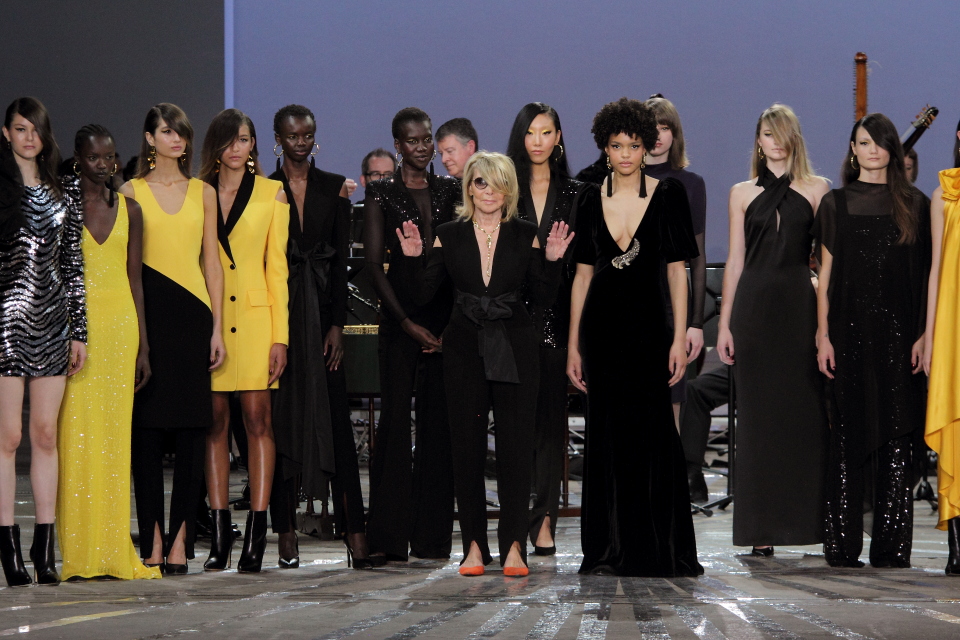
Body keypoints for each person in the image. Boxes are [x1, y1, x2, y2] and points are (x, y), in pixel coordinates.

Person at [397, 151, 572, 576]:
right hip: (463, 350)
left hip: (516, 348)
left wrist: (553, 261)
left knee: (516, 450)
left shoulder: (525, 233)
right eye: (480, 182)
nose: (488, 191)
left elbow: (543, 297)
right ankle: (474, 546)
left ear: (508, 190)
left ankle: (514, 547)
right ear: (469, 188)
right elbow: (422, 295)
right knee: (467, 449)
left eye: (497, 183)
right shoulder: (449, 234)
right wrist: (412, 258)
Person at [568, 97, 702, 577]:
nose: (625, 154)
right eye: (616, 145)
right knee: (606, 437)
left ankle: (657, 549)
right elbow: (582, 276)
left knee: (654, 436)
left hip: (649, 332)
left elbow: (678, 272)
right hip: (601, 333)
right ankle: (609, 549)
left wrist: (678, 337)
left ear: (646, 147)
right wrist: (573, 346)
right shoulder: (588, 198)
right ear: (605, 148)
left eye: (633, 145)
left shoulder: (669, 195)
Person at [816, 112, 930, 568]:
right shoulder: (834, 204)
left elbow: (926, 278)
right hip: (847, 335)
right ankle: (842, 546)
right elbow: (824, 278)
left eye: (880, 142)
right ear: (853, 149)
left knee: (897, 439)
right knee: (847, 435)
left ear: (893, 150)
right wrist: (822, 335)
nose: (873, 150)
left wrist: (923, 335)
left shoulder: (915, 204)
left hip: (901, 340)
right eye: (864, 142)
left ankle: (891, 548)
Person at [717, 104, 830, 557]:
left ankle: (808, 525)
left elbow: (826, 262)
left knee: (803, 418)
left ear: (794, 138)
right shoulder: (740, 193)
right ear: (758, 141)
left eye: (782, 132)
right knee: (758, 421)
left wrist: (825, 327)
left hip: (800, 309)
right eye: (768, 133)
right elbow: (736, 261)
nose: (776, 140)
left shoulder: (819, 189)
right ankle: (760, 527)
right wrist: (725, 324)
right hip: (754, 310)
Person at [269, 104, 376, 569]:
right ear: (278, 138)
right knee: (282, 422)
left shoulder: (333, 187)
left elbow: (340, 265)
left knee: (335, 421)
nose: (301, 142)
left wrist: (337, 325)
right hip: (280, 315)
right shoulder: (265, 189)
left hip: (323, 316)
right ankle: (285, 531)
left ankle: (356, 532)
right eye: (292, 135)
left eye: (307, 134)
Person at [120, 103, 225, 575]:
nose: (176, 139)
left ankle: (181, 539)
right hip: (147, 318)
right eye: (166, 131)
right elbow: (126, 266)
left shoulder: (204, 192)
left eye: (181, 132)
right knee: (144, 432)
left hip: (193, 316)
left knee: (191, 430)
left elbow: (212, 262)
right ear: (149, 138)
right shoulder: (130, 192)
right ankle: (153, 539)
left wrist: (218, 327)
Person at [55, 125, 160, 581]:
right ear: (78, 158)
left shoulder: (131, 209)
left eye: (110, 157)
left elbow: (135, 280)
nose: (104, 165)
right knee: (75, 438)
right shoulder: (62, 207)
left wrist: (144, 346)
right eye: (95, 157)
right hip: (75, 333)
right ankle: (79, 553)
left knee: (116, 441)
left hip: (120, 330)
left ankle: (113, 549)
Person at [362, 107, 459, 561]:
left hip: (443, 325)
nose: (422, 148)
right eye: (412, 141)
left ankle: (432, 539)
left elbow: (458, 259)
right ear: (398, 145)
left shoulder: (451, 190)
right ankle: (388, 540)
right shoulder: (381, 193)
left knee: (439, 428)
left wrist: (448, 324)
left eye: (426, 139)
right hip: (401, 323)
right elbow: (373, 266)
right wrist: (405, 322)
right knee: (396, 425)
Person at [0, 97, 86, 587]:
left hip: (54, 321)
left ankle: (44, 549)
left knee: (46, 435)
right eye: (19, 128)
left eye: (35, 129)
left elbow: (73, 264)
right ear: (6, 134)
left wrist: (79, 331)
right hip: (6, 322)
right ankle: (8, 547)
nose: (29, 137)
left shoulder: (63, 188)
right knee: (9, 436)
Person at [198, 108, 289, 573]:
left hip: (257, 322)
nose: (238, 148)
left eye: (246, 139)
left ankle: (256, 534)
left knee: (258, 420)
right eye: (231, 139)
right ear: (216, 144)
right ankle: (219, 538)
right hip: (210, 320)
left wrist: (280, 338)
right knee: (214, 424)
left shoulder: (273, 193)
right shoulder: (199, 193)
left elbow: (278, 269)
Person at [505, 102, 584, 556]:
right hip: (511, 318)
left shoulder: (576, 193)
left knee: (551, 428)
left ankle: (545, 520)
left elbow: (583, 266)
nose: (538, 141)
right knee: (515, 427)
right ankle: (517, 521)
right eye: (531, 132)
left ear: (558, 137)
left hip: (558, 317)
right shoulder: (503, 187)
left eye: (546, 132)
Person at [644, 96, 708, 430]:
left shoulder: (691, 184)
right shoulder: (620, 181)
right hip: (630, 307)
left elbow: (696, 258)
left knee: (671, 414)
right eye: (651, 127)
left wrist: (695, 324)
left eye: (665, 127)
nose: (658, 135)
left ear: (675, 133)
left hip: (674, 311)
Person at [922, 119, 960, 574]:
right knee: (956, 428)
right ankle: (958, 544)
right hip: (954, 328)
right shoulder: (944, 195)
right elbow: (935, 269)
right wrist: (930, 337)